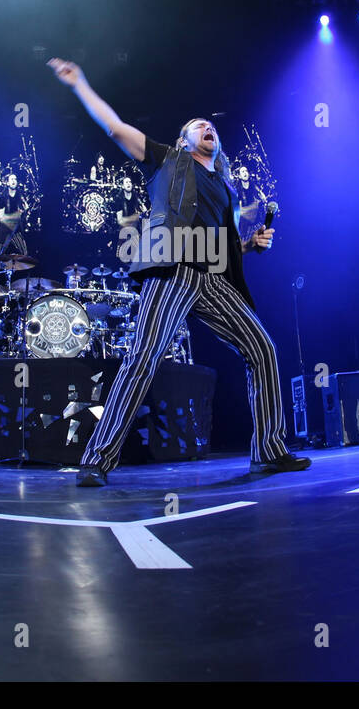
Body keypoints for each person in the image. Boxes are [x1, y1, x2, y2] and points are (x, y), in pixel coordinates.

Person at [49, 56, 306, 485]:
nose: (209, 128)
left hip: (211, 279)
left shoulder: (224, 187)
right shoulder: (168, 160)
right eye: (199, 125)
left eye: (213, 126)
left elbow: (222, 248)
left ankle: (268, 450)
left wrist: (249, 244)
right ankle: (96, 459)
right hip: (174, 270)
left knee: (263, 350)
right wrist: (80, 84)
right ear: (184, 140)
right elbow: (114, 127)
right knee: (143, 359)